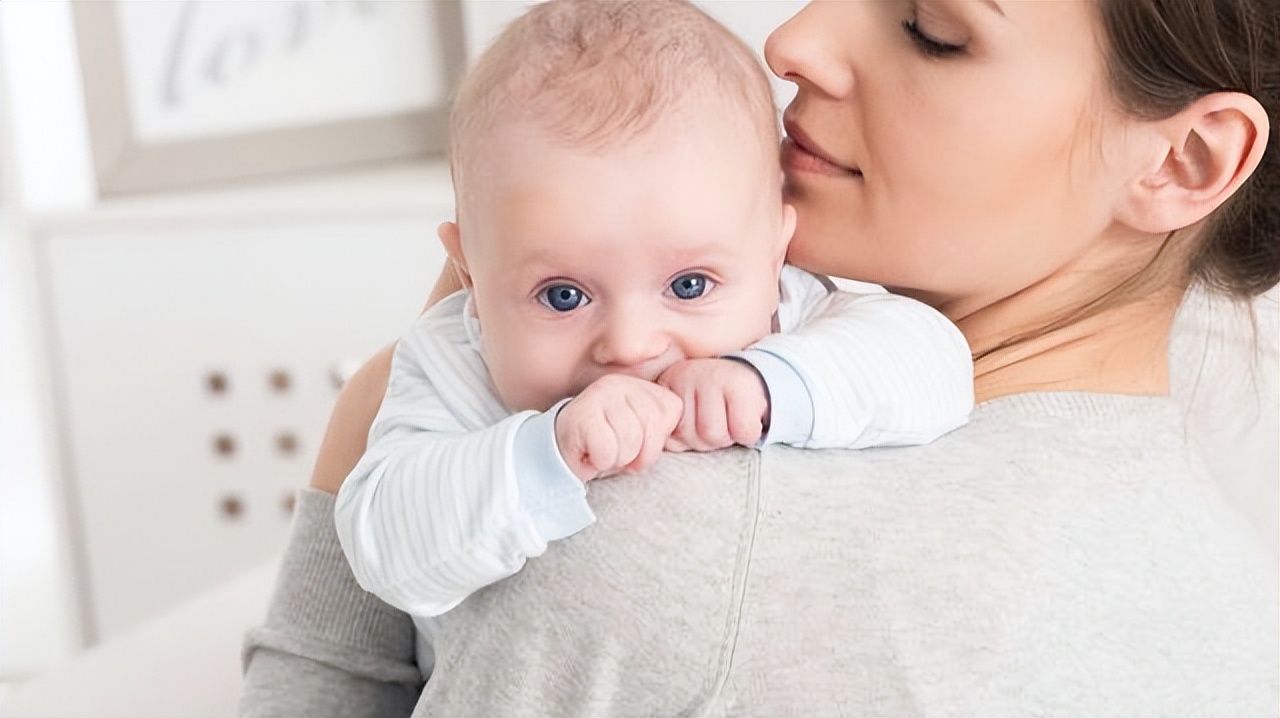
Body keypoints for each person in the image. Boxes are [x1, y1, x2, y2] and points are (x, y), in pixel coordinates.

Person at [240, 0, 1279, 715]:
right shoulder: (1235, 586)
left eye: (930, 29)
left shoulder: (659, 521)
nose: (793, 40)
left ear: (1185, 158)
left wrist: (381, 408)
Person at [332, 0, 972, 622]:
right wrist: (548, 451)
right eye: (563, 295)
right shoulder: (454, 362)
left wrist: (770, 383)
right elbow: (383, 547)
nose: (632, 345)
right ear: (470, 271)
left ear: (776, 252)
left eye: (690, 286)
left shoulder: (793, 313)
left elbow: (935, 364)